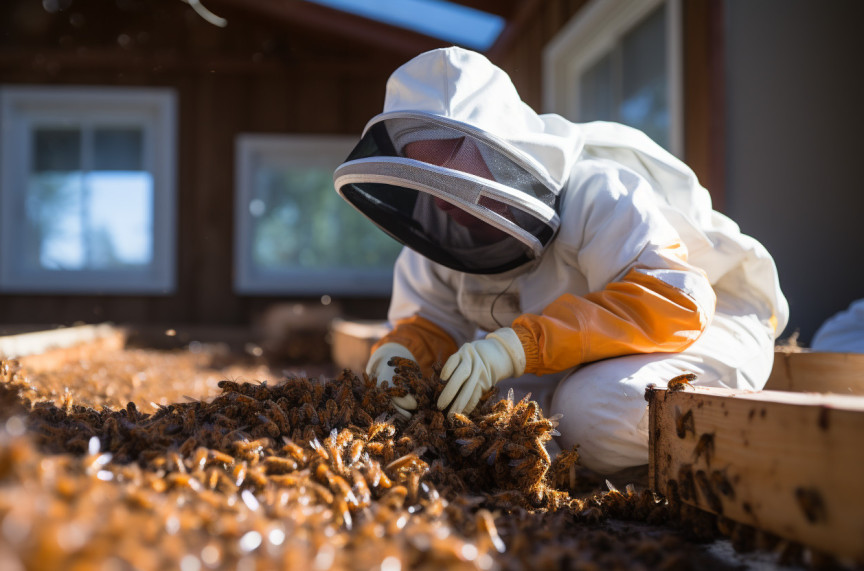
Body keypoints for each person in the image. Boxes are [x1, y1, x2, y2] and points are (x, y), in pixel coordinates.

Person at [333, 47, 788, 475]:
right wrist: (399, 354)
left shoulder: (599, 193)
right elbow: (432, 322)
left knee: (595, 415)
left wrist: (517, 346)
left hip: (706, 323)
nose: (442, 195)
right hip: (574, 359)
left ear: (499, 146)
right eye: (424, 172)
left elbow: (675, 301)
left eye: (452, 162)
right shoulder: (435, 239)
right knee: (487, 423)